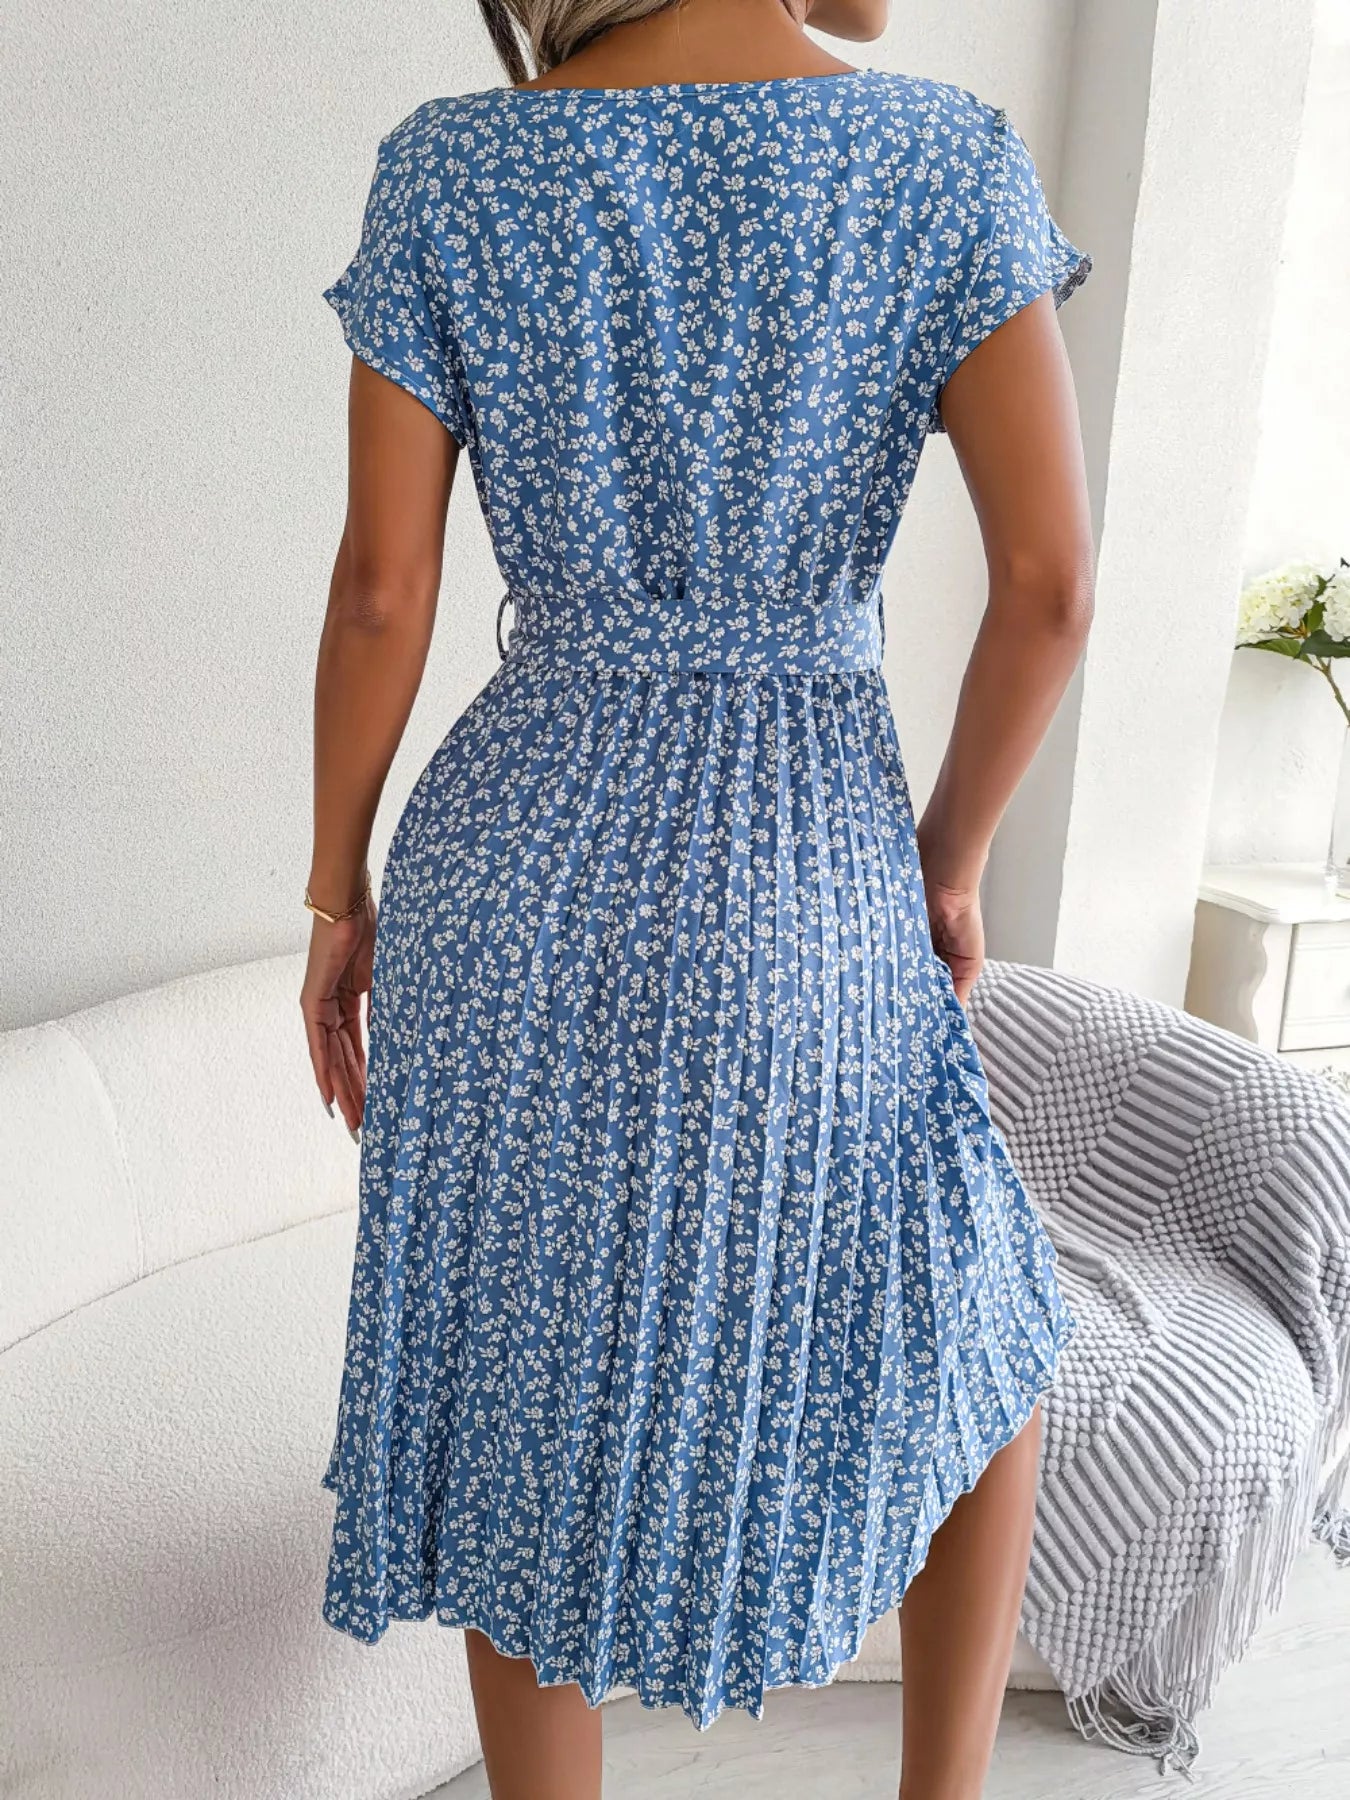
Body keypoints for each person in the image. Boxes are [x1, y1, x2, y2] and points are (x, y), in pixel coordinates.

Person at [301, 1, 1095, 1794]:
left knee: (526, 1386)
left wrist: (339, 894)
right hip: (801, 855)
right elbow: (1049, 589)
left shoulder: (455, 164)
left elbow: (376, 592)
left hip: (510, 873)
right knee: (976, 1326)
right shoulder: (937, 156)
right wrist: (948, 859)